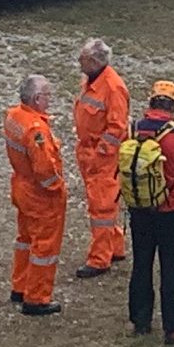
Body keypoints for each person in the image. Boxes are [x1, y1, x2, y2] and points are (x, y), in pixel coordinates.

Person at [124, 80, 174, 344]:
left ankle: (140, 321)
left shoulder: (133, 129)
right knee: (171, 268)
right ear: (173, 106)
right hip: (171, 211)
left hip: (139, 209)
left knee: (141, 264)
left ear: (151, 102)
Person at [3, 74, 67, 317]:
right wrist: (58, 187)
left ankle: (20, 287)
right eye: (47, 95)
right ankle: (36, 298)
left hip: (21, 187)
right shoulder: (36, 129)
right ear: (37, 99)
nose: (50, 100)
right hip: (40, 196)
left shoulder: (13, 116)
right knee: (44, 246)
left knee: (25, 240)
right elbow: (44, 169)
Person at [73, 37, 129, 279]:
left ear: (95, 62)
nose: (79, 62)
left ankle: (99, 259)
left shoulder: (113, 88)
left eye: (83, 58)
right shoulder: (93, 80)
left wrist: (99, 155)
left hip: (103, 159)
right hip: (90, 153)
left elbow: (117, 128)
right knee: (104, 205)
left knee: (102, 209)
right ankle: (115, 247)